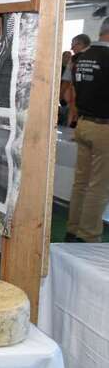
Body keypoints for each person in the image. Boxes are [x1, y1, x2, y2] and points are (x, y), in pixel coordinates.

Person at [64, 20, 109, 243]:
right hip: (103, 127)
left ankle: (73, 228)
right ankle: (88, 235)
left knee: (81, 181)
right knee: (99, 185)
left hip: (84, 123)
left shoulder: (81, 58)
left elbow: (72, 91)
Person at [63, 34, 92, 126]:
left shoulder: (74, 59)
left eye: (73, 46)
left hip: (76, 100)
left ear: (80, 44)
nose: (71, 49)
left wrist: (60, 94)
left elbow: (66, 81)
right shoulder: (100, 57)